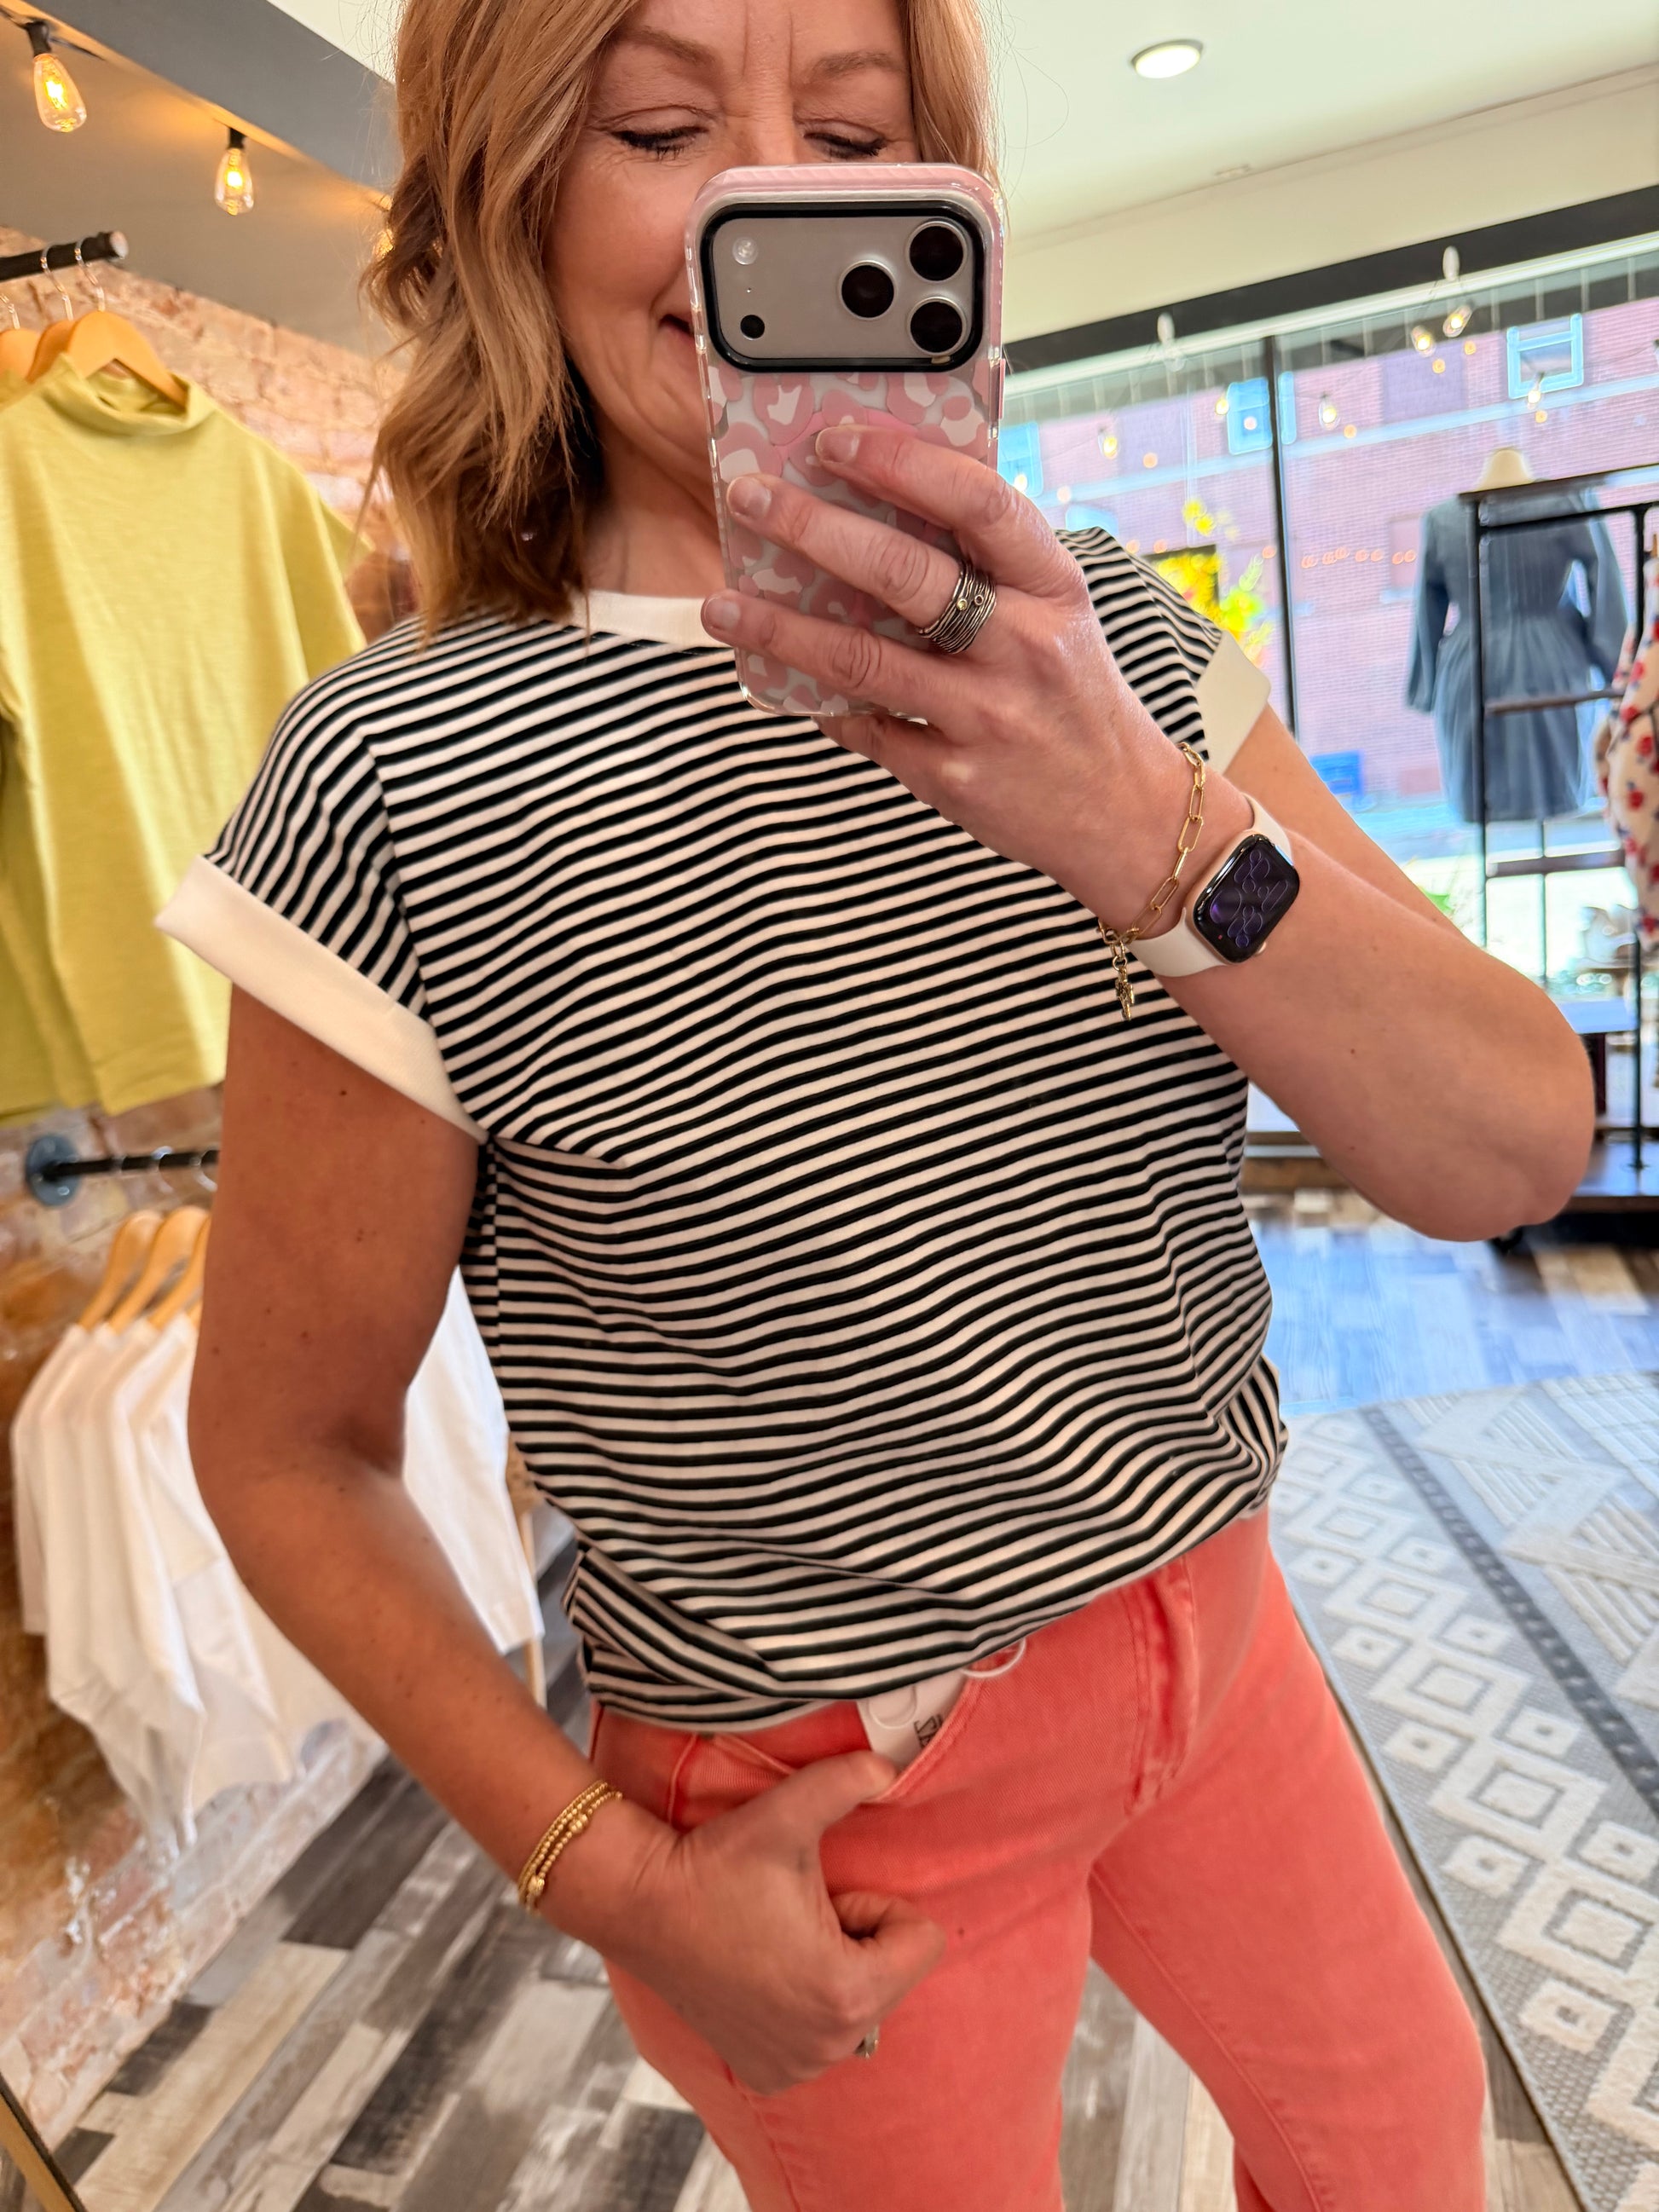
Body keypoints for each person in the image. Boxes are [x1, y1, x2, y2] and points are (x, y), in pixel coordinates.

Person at [160, 1, 1592, 2205]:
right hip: (826, 1799)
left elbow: (1512, 1145)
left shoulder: (1106, 647)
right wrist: (607, 1879)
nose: (764, 193)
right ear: (506, 198)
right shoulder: (397, 779)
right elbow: (285, 1445)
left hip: (1215, 1640)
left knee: (1401, 2150)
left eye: (850, 134)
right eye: (657, 123)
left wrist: (1137, 822)